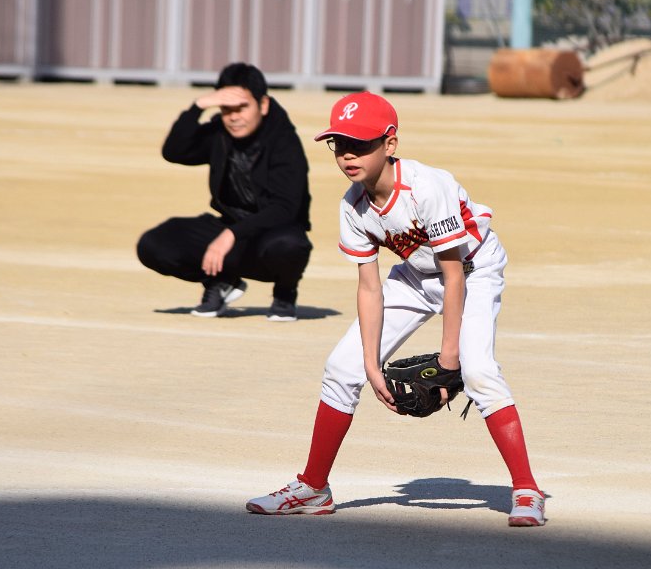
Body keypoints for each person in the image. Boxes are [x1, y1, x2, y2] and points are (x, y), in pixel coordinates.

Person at [245, 92, 546, 526]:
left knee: (479, 371)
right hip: (415, 276)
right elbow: (369, 287)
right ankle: (313, 488)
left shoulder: (427, 186)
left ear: (390, 144)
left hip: (472, 269)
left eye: (360, 144)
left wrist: (450, 359)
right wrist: (370, 365)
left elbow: (454, 275)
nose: (348, 155)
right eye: (339, 144)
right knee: (342, 367)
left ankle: (526, 489)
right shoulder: (353, 206)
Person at [136, 63, 312, 322]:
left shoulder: (284, 141)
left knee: (290, 245)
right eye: (226, 109)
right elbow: (174, 151)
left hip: (270, 236)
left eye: (241, 107)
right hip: (229, 230)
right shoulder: (220, 132)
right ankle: (221, 280)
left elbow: (285, 208)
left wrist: (232, 234)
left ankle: (285, 292)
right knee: (154, 244)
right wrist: (198, 106)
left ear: (263, 105)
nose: (233, 117)